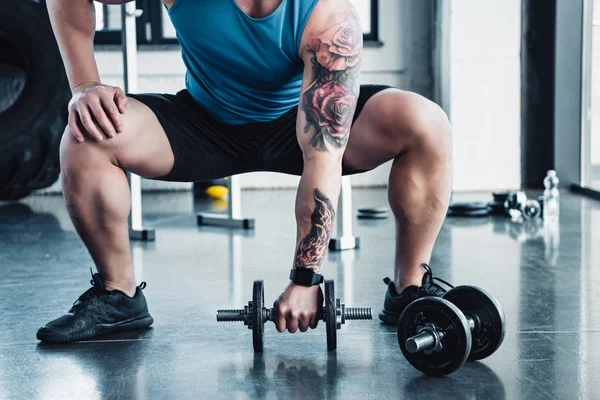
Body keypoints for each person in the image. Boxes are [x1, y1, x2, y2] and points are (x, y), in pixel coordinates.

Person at [37, 0, 453, 343]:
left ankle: (409, 290)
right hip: (205, 124)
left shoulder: (329, 18)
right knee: (85, 138)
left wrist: (306, 278)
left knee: (425, 124)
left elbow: (321, 158)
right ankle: (118, 296)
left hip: (300, 123)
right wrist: (84, 84)